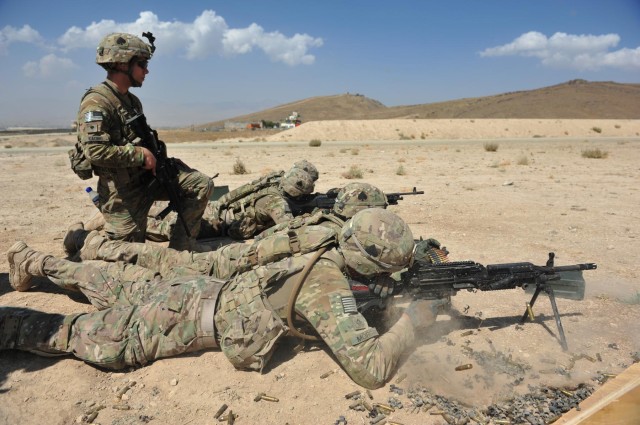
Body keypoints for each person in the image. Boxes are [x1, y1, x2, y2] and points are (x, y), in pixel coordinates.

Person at [4, 209, 442, 389]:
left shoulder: (323, 241)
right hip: (184, 320)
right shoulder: (325, 283)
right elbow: (371, 368)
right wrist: (414, 322)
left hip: (197, 289)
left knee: (104, 279)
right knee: (80, 336)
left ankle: (32, 261)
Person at [72, 32, 213, 251]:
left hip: (147, 178)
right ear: (122, 64)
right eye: (142, 64)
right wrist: (140, 154)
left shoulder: (131, 101)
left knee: (200, 184)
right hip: (122, 191)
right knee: (126, 257)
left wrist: (156, 158)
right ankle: (79, 239)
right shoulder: (96, 102)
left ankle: (181, 252)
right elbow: (96, 151)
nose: (146, 70)